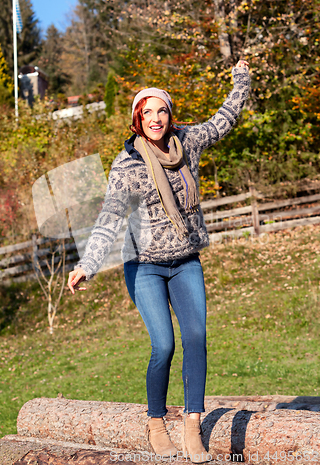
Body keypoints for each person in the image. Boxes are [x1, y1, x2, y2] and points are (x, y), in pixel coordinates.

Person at [67, 60, 251, 463]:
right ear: (137, 119)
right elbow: (110, 218)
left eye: (161, 110)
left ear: (170, 115)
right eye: (146, 112)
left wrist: (242, 77)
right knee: (164, 345)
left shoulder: (188, 141)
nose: (155, 118)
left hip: (185, 260)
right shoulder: (127, 165)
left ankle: (192, 426)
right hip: (144, 265)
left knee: (197, 338)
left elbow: (225, 118)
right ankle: (155, 423)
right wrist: (88, 264)